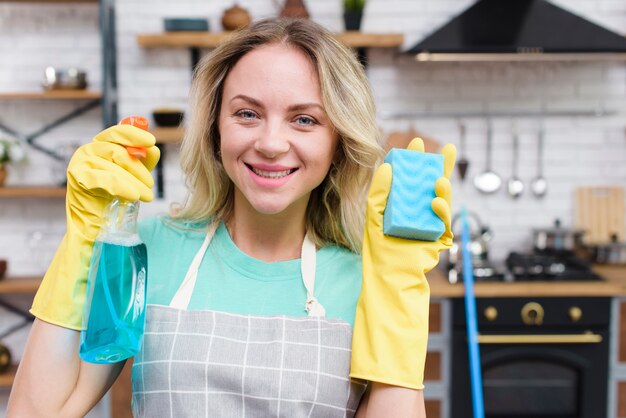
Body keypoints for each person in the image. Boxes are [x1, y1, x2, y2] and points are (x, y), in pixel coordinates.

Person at [8, 18, 454, 417]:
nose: (271, 143)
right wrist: (86, 239)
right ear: (214, 128)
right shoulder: (146, 251)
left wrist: (397, 295)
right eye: (247, 113)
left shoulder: (369, 281)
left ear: (338, 142)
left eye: (304, 119)